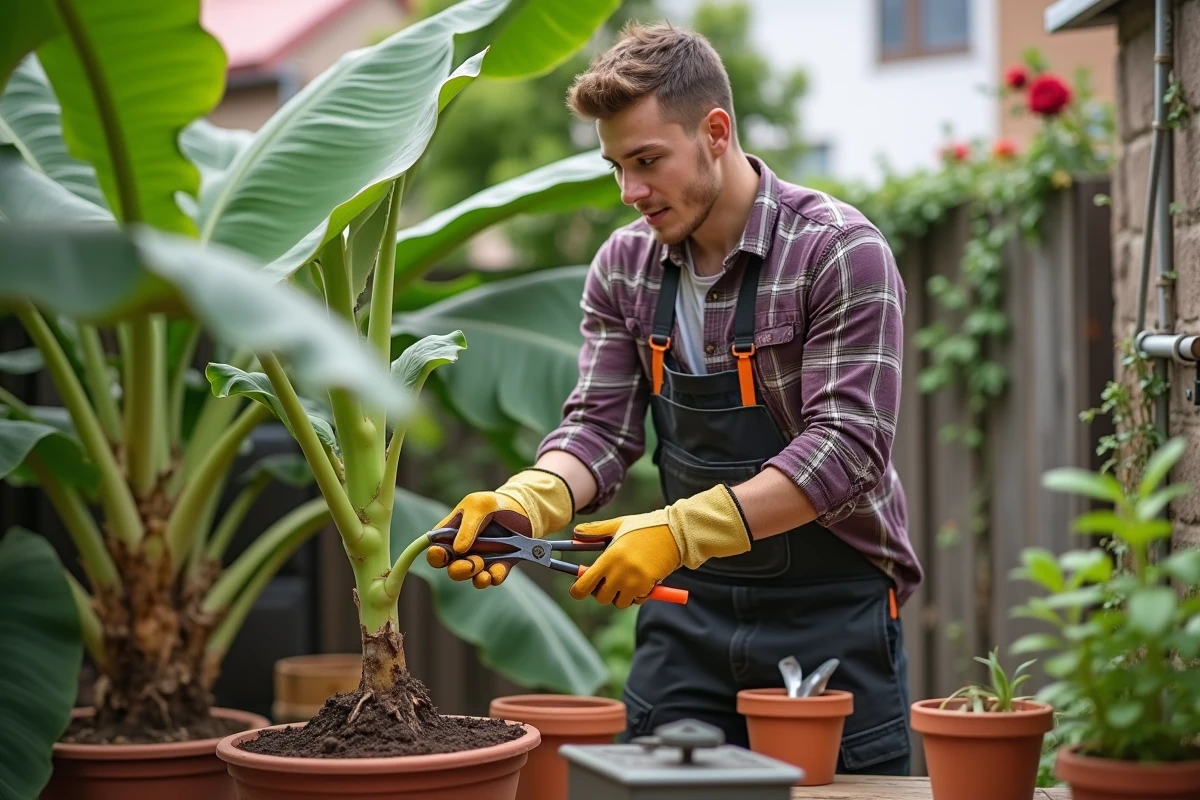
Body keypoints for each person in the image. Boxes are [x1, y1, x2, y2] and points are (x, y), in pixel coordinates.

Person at [426, 21, 923, 776]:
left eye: (648, 161)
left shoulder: (838, 251)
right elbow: (599, 428)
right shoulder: (624, 266)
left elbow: (847, 450)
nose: (630, 192)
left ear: (715, 132)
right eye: (617, 166)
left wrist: (679, 530)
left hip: (831, 615)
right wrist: (526, 502)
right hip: (686, 613)